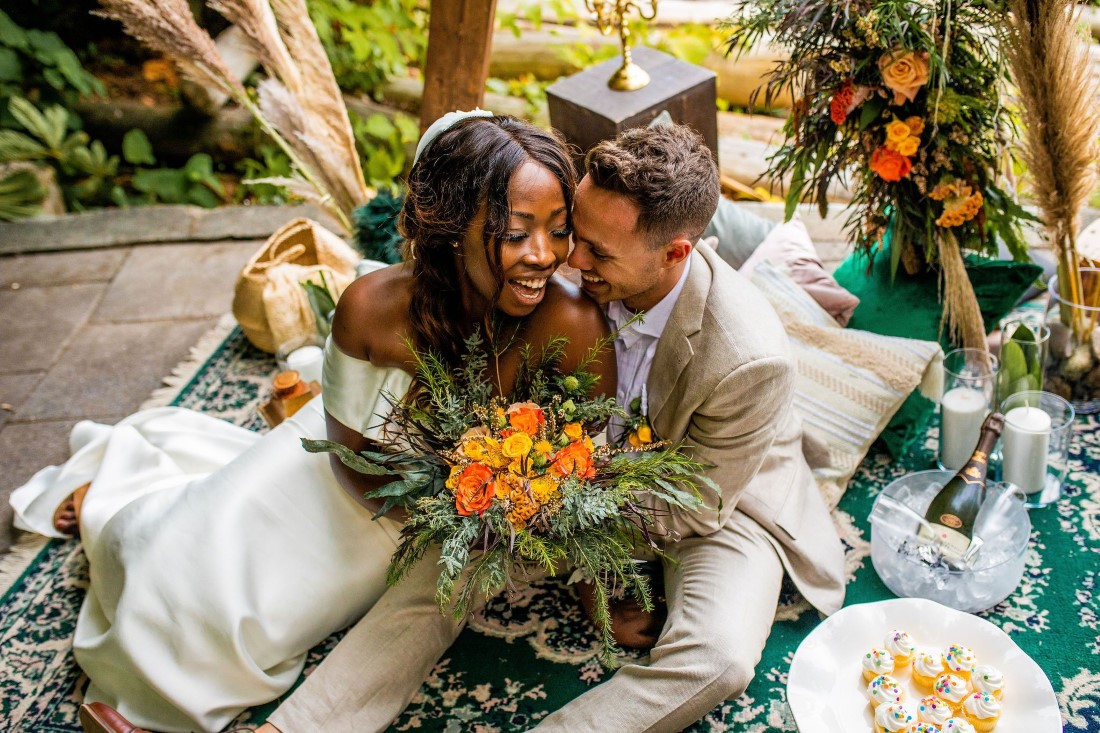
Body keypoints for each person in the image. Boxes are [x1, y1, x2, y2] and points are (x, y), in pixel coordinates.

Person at [223, 123, 847, 733]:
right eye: (576, 232)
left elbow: (695, 506)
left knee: (719, 658)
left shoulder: (750, 358)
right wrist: (504, 499)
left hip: (714, 503)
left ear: (674, 254)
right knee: (447, 565)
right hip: (561, 477)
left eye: (597, 252)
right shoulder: (554, 265)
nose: (565, 259)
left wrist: (570, 535)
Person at [10, 111, 615, 733]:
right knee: (174, 550)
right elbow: (345, 454)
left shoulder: (573, 326)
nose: (544, 255)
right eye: (515, 233)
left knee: (246, 621)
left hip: (416, 535)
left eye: (558, 230)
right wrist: (445, 513)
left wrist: (505, 511)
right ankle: (108, 503)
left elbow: (588, 459)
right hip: (355, 483)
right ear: (452, 228)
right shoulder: (371, 307)